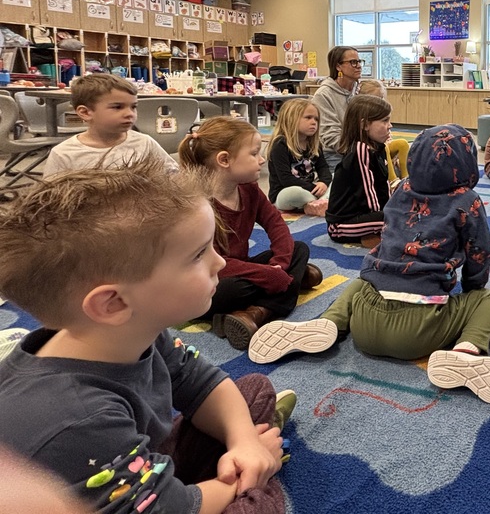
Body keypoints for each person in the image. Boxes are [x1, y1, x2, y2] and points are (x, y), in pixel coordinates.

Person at [0, 161, 293, 514]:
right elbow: (170, 509)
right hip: (119, 490)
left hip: (128, 464)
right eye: (199, 254)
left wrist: (245, 442)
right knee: (256, 505)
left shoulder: (135, 332)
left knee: (253, 391)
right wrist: (253, 474)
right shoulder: (78, 418)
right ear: (114, 303)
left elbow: (200, 381)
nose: (219, 263)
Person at [247, 124, 490, 406]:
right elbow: (479, 254)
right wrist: (472, 289)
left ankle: (328, 322)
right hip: (420, 331)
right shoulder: (468, 201)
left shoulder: (402, 188)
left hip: (366, 323)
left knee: (361, 280)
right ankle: (466, 352)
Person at [178, 116, 320, 350]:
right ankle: (289, 286)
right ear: (224, 160)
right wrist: (267, 275)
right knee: (228, 289)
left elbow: (276, 224)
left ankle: (255, 314)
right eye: (254, 154)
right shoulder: (198, 204)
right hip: (208, 280)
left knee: (299, 248)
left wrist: (279, 265)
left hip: (241, 270)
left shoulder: (249, 189)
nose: (262, 160)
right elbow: (212, 263)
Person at [43, 73, 177, 176]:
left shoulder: (145, 143)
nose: (129, 113)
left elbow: (173, 176)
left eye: (133, 107)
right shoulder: (64, 154)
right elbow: (52, 202)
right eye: (118, 107)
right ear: (85, 112)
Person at [324, 95, 393, 248]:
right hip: (341, 225)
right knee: (397, 219)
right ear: (365, 125)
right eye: (384, 121)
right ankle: (374, 236)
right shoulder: (361, 150)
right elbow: (368, 194)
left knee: (400, 214)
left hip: (367, 218)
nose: (390, 125)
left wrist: (392, 207)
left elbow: (383, 186)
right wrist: (385, 214)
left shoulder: (378, 147)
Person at [266, 98, 331, 217]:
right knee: (295, 193)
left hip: (311, 190)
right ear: (291, 119)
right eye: (308, 117)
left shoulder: (314, 144)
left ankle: (316, 203)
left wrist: (323, 183)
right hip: (285, 193)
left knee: (338, 177)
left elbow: (323, 168)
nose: (314, 122)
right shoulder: (280, 145)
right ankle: (322, 201)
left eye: (316, 119)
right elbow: (286, 179)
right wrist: (314, 188)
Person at [311, 45, 362, 171]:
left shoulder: (361, 90)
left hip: (361, 150)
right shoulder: (324, 95)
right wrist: (359, 152)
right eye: (353, 62)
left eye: (359, 61)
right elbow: (330, 135)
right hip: (335, 154)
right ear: (338, 66)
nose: (359, 66)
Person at [357, 78, 410, 184]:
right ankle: (392, 180)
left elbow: (387, 133)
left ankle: (406, 177)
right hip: (374, 146)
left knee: (403, 144)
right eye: (376, 98)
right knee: (384, 147)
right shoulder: (362, 114)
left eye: (381, 98)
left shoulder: (381, 113)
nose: (379, 102)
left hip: (385, 144)